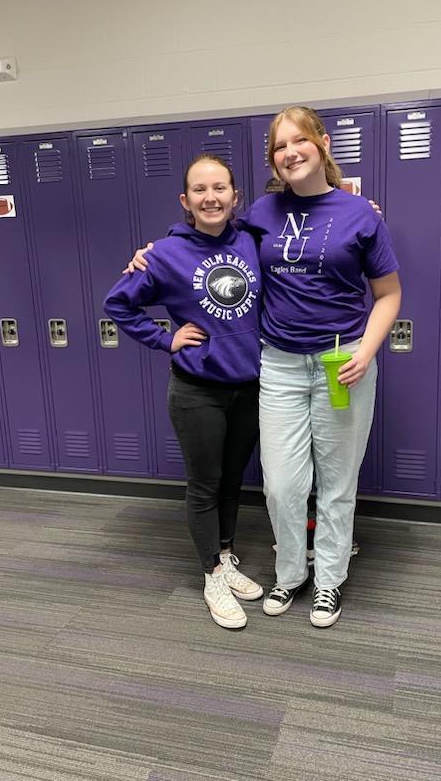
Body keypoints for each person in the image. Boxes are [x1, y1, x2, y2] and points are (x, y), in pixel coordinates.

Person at [127, 106, 401, 628]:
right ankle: (291, 573)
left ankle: (328, 583)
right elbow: (208, 228)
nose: (290, 152)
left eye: (299, 141)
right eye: (279, 146)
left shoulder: (361, 215)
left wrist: (366, 350)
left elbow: (388, 294)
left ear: (321, 144)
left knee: (338, 481)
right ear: (272, 159)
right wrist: (152, 250)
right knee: (280, 485)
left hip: (341, 359)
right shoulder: (263, 213)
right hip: (277, 365)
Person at [104, 154, 264, 630]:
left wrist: (365, 211)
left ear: (235, 197)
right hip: (198, 390)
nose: (210, 197)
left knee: (234, 480)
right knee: (205, 484)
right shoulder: (163, 255)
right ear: (186, 200)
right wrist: (165, 337)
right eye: (200, 190)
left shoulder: (254, 240)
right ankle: (211, 573)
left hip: (251, 386)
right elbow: (119, 303)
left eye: (219, 188)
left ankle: (227, 555)